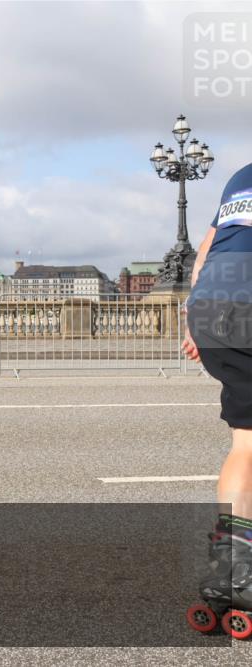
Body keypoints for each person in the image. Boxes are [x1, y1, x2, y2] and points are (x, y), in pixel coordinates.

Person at [182, 162, 252, 636]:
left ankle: (231, 575)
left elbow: (204, 254)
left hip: (210, 308)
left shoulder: (241, 176)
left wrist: (194, 320)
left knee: (246, 445)